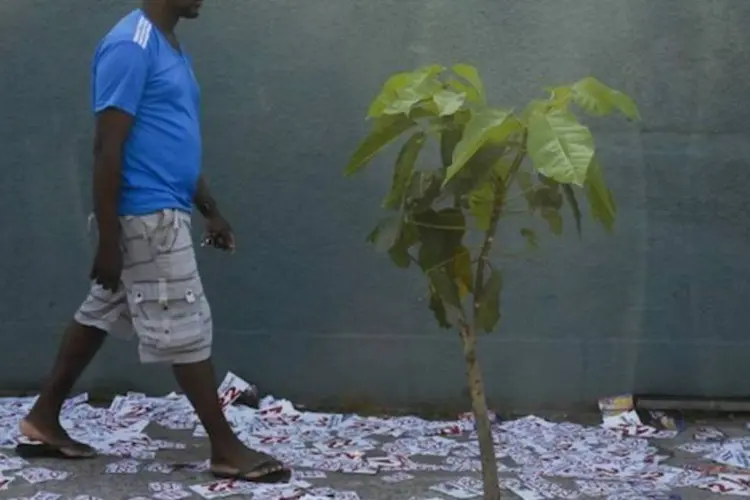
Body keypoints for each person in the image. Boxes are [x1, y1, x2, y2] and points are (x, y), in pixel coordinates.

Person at [17, 0, 290, 484]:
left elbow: (173, 139)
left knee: (100, 313)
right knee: (186, 328)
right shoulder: (130, 44)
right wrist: (107, 240)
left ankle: (42, 419)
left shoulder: (169, 47)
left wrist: (210, 209)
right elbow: (107, 146)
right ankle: (225, 448)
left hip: (164, 208)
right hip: (145, 217)